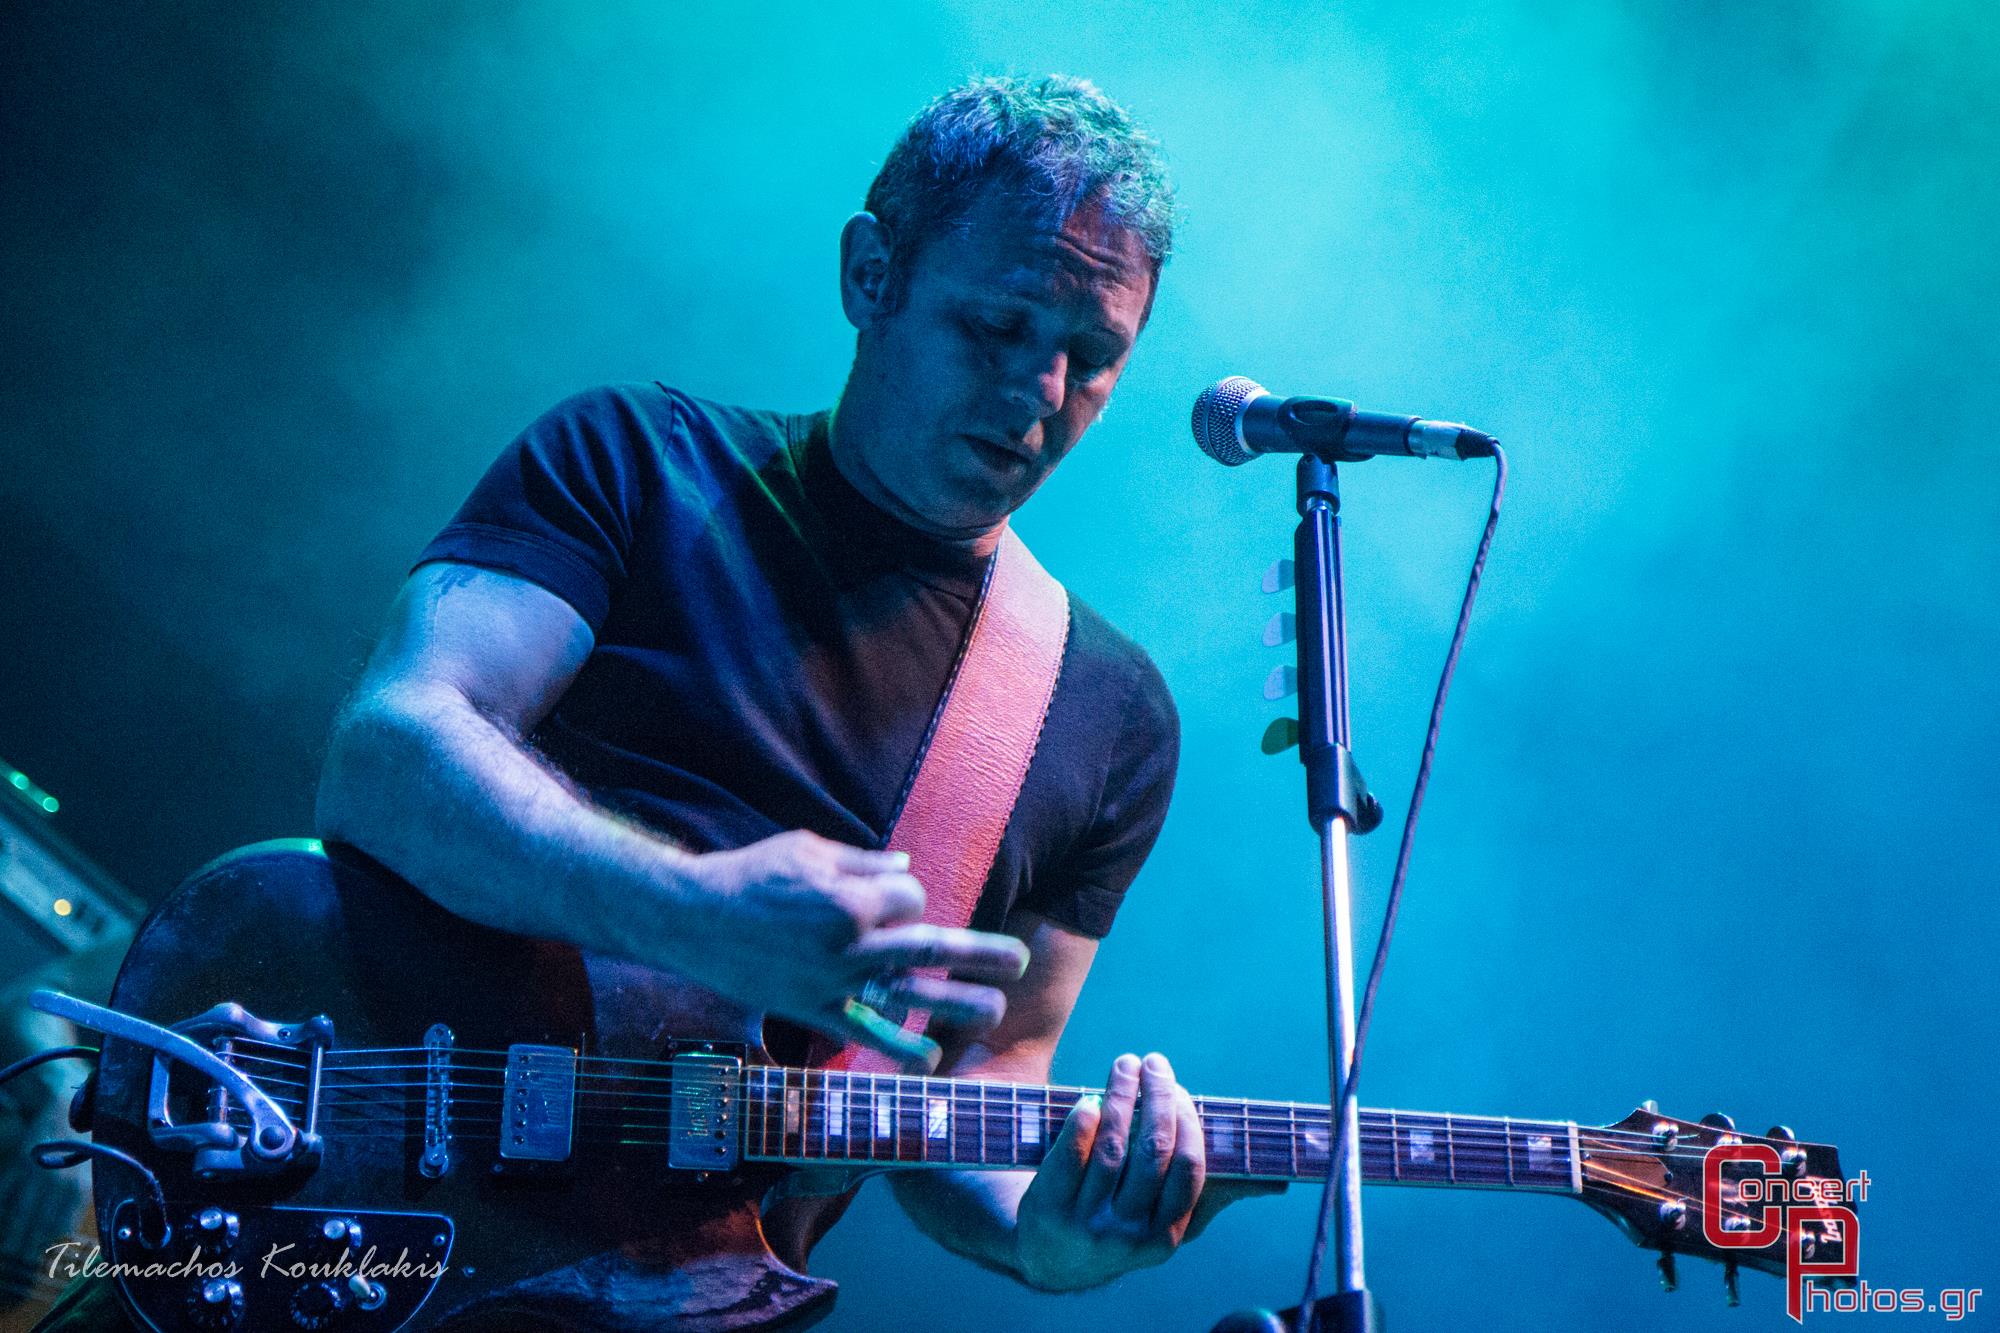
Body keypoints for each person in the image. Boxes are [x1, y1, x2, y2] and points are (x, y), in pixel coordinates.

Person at [31, 76, 1272, 1330]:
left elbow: (978, 1084)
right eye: (997, 326)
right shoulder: (635, 459)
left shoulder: (1110, 713)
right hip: (345, 1191)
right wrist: (695, 915)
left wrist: (1049, 1241)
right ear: (871, 274)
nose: (1041, 391)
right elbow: (392, 749)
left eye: (1092, 358)